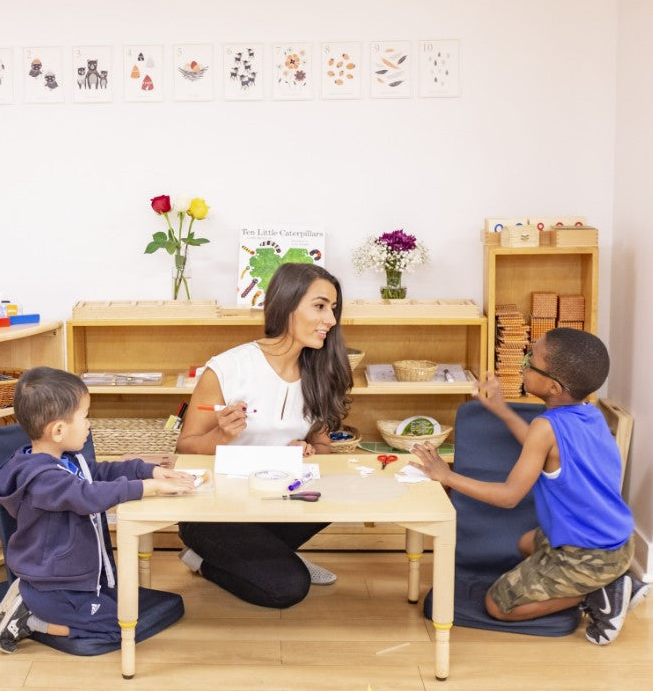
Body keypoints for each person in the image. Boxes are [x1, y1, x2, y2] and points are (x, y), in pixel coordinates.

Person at [411, 327, 648, 645]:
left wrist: (446, 475)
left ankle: (601, 591)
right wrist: (500, 409)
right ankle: (606, 578)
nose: (523, 365)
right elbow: (539, 448)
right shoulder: (589, 414)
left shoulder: (545, 427)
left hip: (587, 555)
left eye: (530, 360)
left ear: (553, 386)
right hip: (617, 542)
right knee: (525, 544)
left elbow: (509, 497)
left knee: (498, 605)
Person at [175, 262, 353, 607]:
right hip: (215, 512)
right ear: (287, 305)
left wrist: (309, 449)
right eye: (319, 306)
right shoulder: (228, 368)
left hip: (275, 502)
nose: (330, 320)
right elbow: (185, 446)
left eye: (333, 309)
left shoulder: (321, 372)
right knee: (288, 588)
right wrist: (220, 437)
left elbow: (322, 447)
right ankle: (218, 559)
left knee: (335, 494)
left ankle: (271, 555)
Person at [0, 366, 195, 653]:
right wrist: (148, 487)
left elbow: (100, 473)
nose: (89, 424)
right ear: (59, 430)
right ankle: (30, 620)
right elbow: (87, 495)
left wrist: (149, 470)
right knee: (120, 627)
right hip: (57, 588)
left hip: (73, 580)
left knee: (122, 614)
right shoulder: (43, 479)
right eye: (85, 417)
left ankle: (28, 602)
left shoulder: (68, 460)